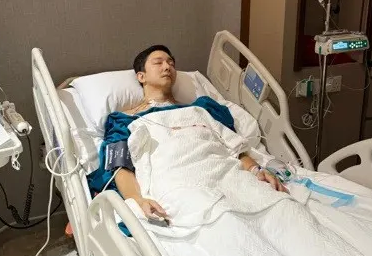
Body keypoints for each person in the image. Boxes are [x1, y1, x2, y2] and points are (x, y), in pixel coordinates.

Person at [112, 45, 287, 222]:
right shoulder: (124, 120)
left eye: (171, 63)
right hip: (181, 185)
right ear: (141, 76)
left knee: (281, 208)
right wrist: (138, 201)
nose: (167, 67)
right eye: (158, 63)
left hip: (229, 175)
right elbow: (119, 166)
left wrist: (256, 170)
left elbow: (233, 146)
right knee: (224, 219)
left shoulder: (202, 109)